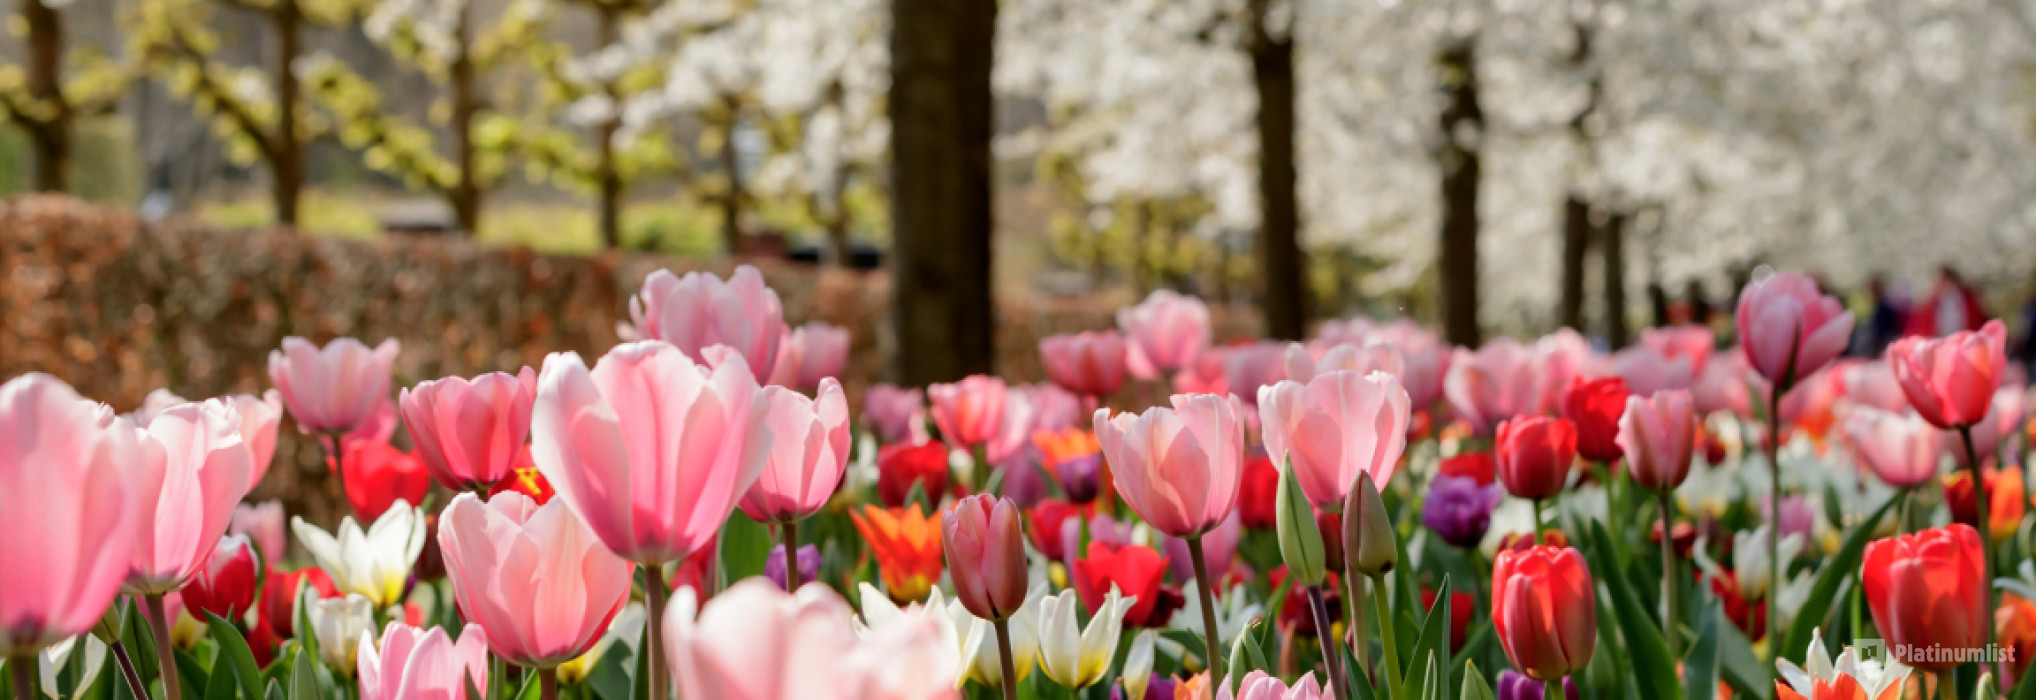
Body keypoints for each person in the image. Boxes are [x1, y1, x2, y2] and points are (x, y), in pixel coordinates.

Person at [1905, 265, 1986, 337]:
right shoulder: (1935, 299)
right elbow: (1923, 321)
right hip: (1941, 336)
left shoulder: (1966, 297)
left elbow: (1976, 318)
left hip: (1963, 334)